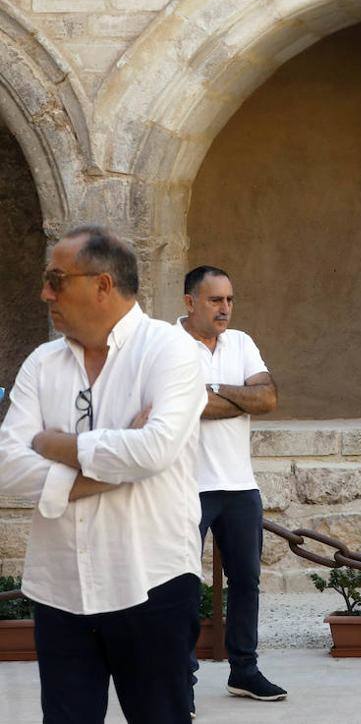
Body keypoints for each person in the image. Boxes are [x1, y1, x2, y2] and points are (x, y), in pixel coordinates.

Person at [0, 225, 205, 723]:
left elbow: (154, 448)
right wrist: (111, 471)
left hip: (150, 581)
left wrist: (54, 445)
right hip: (61, 589)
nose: (45, 292)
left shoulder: (170, 351)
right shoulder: (42, 363)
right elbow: (6, 468)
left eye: (56, 278)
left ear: (103, 284)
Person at [179, 265, 285, 702]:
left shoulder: (240, 342)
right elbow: (184, 405)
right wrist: (237, 398)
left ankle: (244, 670)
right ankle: (178, 680)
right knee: (180, 585)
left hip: (240, 485)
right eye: (214, 300)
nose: (225, 309)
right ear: (189, 301)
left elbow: (268, 398)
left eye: (229, 300)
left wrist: (214, 390)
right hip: (185, 485)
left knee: (246, 581)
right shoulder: (166, 343)